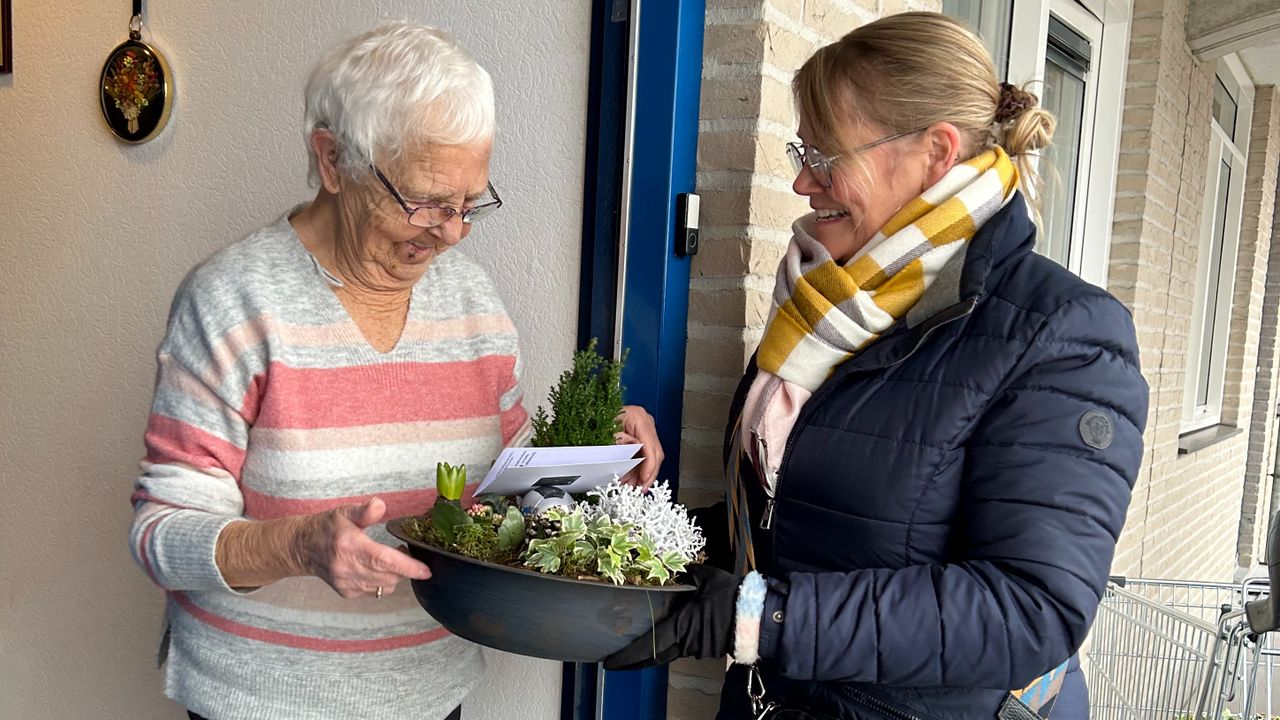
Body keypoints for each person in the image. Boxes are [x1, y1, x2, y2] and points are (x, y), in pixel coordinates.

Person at [606, 12, 1147, 720]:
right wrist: (639, 525)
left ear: (935, 153)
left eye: (825, 157)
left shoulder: (1062, 334)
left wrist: (759, 619)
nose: (803, 182)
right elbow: (795, 526)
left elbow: (1029, 607)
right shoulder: (831, 307)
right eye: (803, 151)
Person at [128, 22, 662, 720]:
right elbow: (161, 532)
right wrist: (298, 545)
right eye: (426, 200)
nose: (451, 231)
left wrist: (592, 458)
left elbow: (504, 495)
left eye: (470, 203)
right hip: (259, 701)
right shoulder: (232, 303)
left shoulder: (474, 306)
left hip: (428, 693)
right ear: (332, 161)